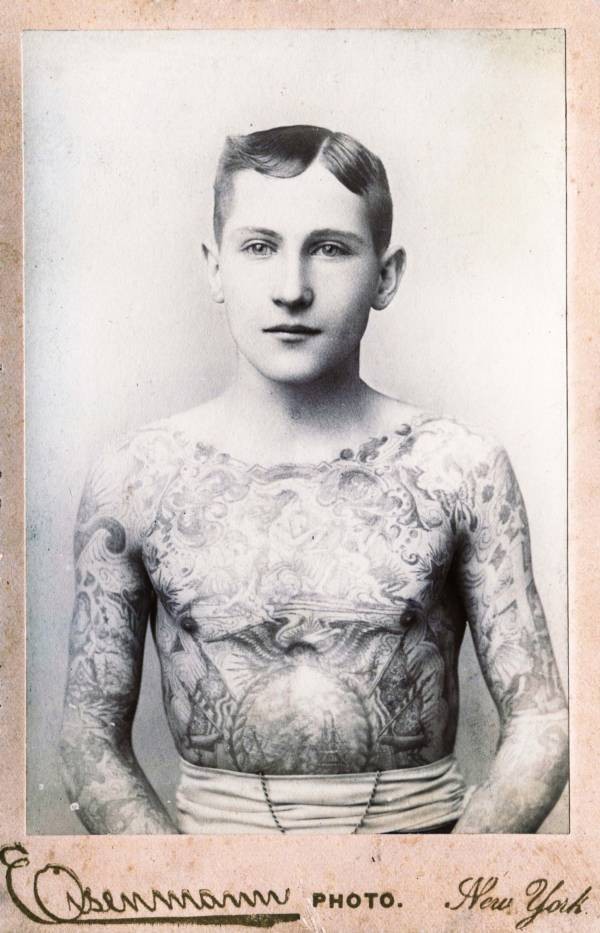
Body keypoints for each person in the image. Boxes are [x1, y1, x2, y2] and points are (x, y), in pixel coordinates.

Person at [59, 124, 568, 835]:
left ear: (385, 276)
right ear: (214, 267)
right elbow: (88, 736)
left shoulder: (460, 467)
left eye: (329, 249)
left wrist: (447, 880)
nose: (291, 290)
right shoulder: (136, 478)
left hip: (419, 866)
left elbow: (541, 719)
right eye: (259, 247)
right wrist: (181, 883)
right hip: (212, 883)